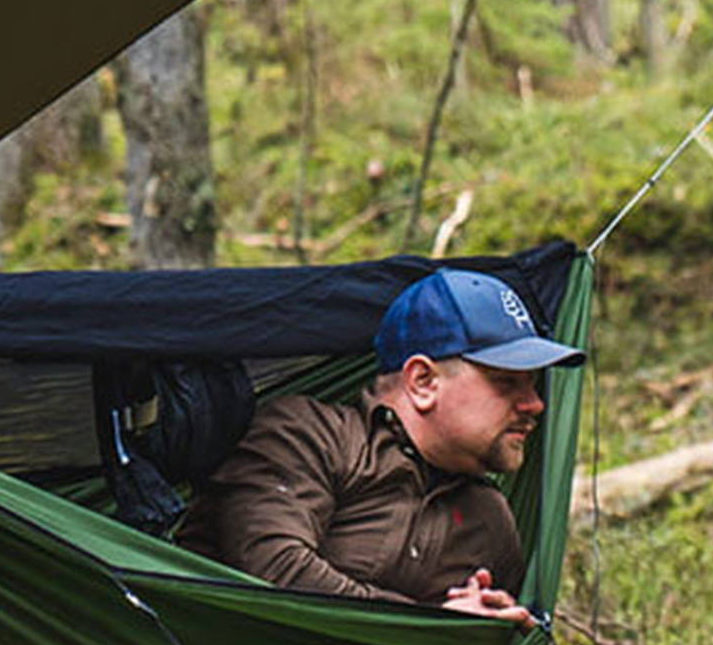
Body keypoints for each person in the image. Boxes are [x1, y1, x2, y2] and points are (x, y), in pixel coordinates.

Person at [178, 266, 579, 623]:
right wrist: (436, 627)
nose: (536, 405)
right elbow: (275, 571)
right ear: (423, 382)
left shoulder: (489, 523)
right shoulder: (305, 434)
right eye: (506, 381)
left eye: (534, 384)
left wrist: (488, 623)